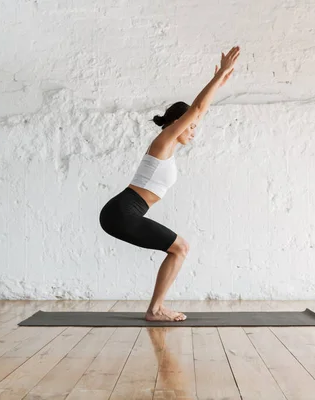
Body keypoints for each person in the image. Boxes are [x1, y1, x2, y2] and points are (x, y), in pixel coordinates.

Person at [99, 46, 241, 322]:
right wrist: (218, 75)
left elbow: (200, 111)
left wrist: (219, 84)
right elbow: (198, 108)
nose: (194, 131)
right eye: (190, 126)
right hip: (121, 212)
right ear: (177, 123)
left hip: (123, 212)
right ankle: (155, 310)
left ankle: (156, 308)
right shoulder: (163, 141)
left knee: (179, 249)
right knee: (181, 248)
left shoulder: (169, 149)